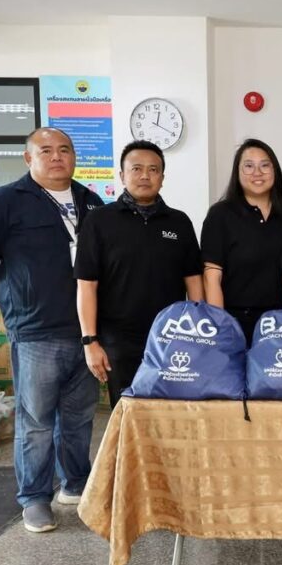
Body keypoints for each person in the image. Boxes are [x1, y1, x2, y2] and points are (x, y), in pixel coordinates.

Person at [0, 127, 104, 533]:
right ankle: (35, 498)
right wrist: (7, 297)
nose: (57, 157)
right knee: (37, 420)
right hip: (36, 329)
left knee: (78, 417)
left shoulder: (91, 202)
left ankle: (75, 483)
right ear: (28, 158)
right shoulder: (5, 201)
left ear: (74, 157)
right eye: (46, 150)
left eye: (64, 150)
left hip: (85, 330)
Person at [75, 140, 204, 408]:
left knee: (171, 411)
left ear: (162, 178)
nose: (145, 175)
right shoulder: (99, 220)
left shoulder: (179, 222)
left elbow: (193, 281)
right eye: (136, 169)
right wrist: (90, 342)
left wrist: (198, 334)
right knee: (127, 411)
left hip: (172, 338)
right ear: (122, 175)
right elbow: (86, 285)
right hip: (118, 340)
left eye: (153, 170)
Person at [201, 139, 282, 344]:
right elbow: (211, 277)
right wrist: (220, 326)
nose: (257, 172)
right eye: (248, 166)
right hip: (236, 323)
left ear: (275, 170)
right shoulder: (221, 215)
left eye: (265, 165)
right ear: (237, 172)